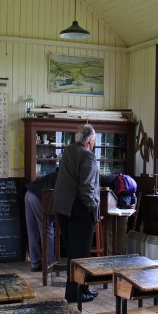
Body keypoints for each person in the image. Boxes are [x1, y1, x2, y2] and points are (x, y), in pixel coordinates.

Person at [52, 124, 100, 303]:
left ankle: (80, 289)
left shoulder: (69, 150)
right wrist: (92, 206)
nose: (94, 143)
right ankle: (76, 293)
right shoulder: (88, 156)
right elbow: (87, 187)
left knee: (73, 252)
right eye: (94, 140)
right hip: (80, 209)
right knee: (81, 256)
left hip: (63, 208)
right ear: (89, 141)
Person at [24, 170, 58, 272]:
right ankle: (49, 264)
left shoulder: (54, 174)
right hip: (39, 198)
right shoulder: (65, 178)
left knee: (32, 231)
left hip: (28, 194)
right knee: (47, 230)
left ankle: (35, 263)